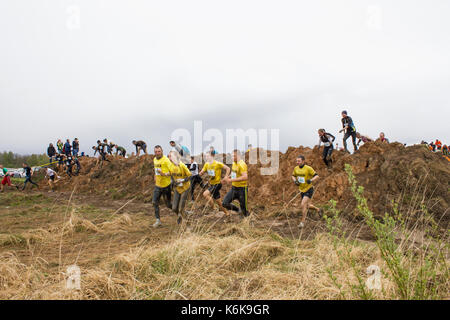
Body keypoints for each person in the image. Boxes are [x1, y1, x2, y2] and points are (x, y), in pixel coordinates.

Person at [291, 155, 321, 228]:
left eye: (299, 161)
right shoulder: (296, 168)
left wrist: (311, 180)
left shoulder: (308, 168)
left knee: (303, 204)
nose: (297, 162)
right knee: (307, 206)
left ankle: (302, 222)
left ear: (303, 161)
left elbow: (317, 176)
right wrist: (295, 181)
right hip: (301, 189)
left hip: (309, 189)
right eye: (297, 161)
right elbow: (293, 176)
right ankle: (318, 209)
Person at [222, 149, 249, 217]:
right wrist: (227, 178)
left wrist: (231, 180)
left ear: (239, 155)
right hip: (234, 188)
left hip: (242, 189)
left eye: (234, 156)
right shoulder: (234, 163)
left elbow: (245, 177)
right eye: (232, 156)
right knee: (225, 203)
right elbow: (234, 173)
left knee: (244, 210)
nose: (232, 157)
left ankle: (247, 219)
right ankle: (237, 210)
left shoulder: (242, 164)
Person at [168, 151, 192, 224]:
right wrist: (173, 182)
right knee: (174, 208)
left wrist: (183, 180)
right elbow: (171, 176)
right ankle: (181, 215)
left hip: (185, 187)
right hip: (177, 188)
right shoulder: (170, 166)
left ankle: (188, 224)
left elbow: (190, 175)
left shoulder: (182, 165)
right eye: (168, 156)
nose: (169, 158)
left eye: (170, 156)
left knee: (181, 208)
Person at [152, 145, 173, 228]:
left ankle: (180, 213)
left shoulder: (166, 160)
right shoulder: (154, 159)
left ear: (162, 151)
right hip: (158, 185)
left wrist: (164, 174)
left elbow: (172, 171)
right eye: (156, 152)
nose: (157, 153)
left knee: (168, 204)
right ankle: (158, 220)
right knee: (154, 202)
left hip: (166, 185)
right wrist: (155, 176)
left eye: (159, 151)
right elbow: (156, 169)